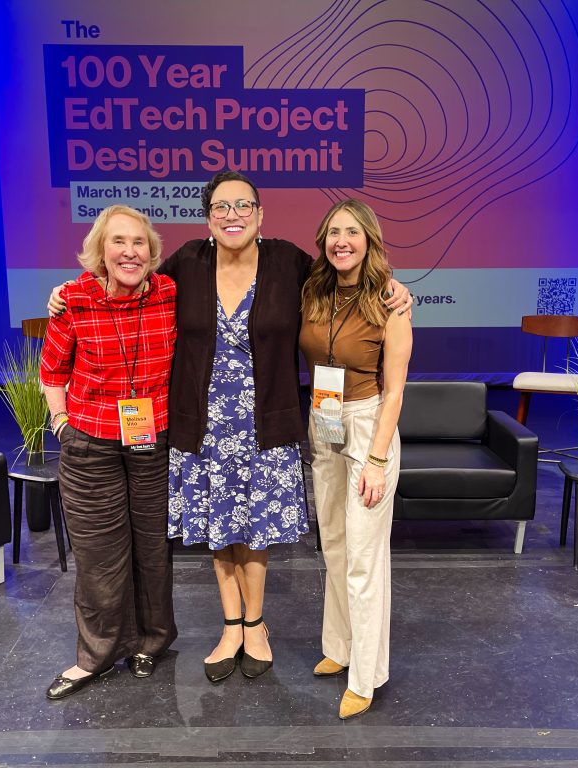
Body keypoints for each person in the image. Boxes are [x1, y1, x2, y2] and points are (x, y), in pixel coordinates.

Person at [48, 173, 413, 684]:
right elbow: (126, 283)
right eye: (221, 206)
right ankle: (231, 625)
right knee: (217, 525)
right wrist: (65, 294)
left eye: (243, 205)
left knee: (256, 526)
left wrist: (392, 287)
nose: (232, 214)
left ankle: (257, 623)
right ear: (208, 217)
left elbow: (342, 274)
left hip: (267, 421)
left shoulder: (288, 263)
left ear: (261, 214)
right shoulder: (186, 265)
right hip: (201, 423)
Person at [40, 205, 178, 700]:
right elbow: (52, 371)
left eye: (139, 242)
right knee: (99, 555)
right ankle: (96, 655)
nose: (130, 251)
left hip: (151, 440)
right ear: (101, 249)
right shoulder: (72, 300)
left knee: (152, 549)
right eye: (119, 241)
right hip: (91, 442)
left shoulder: (169, 293)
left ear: (151, 251)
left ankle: (152, 641)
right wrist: (61, 423)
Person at [298, 199, 412, 720]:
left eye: (351, 232)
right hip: (324, 419)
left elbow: (394, 392)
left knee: (366, 558)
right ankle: (339, 648)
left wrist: (376, 459)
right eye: (332, 233)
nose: (341, 241)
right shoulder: (315, 291)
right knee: (336, 546)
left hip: (368, 425)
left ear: (369, 238)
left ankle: (366, 676)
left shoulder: (391, 300)